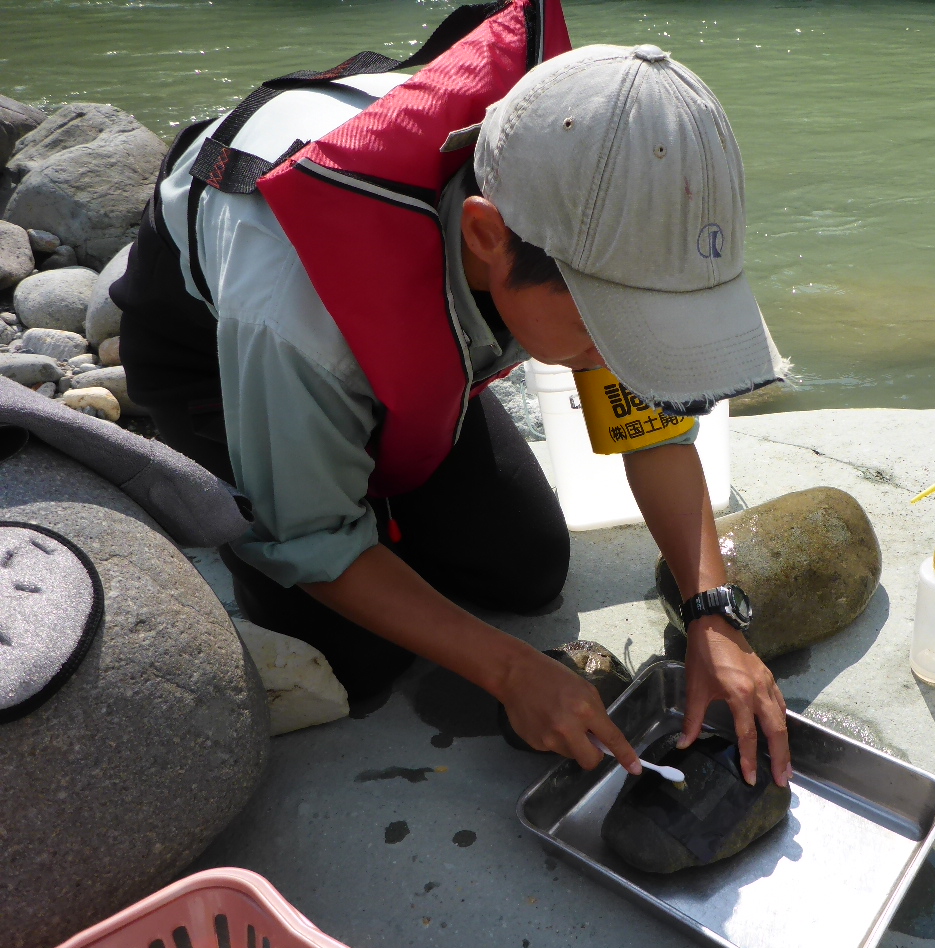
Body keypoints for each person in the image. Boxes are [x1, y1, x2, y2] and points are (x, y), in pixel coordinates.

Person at [113, 0, 793, 788]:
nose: (622, 356)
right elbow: (312, 541)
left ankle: (382, 486)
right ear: (484, 236)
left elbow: (653, 429)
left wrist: (713, 612)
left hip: (416, 348)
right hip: (218, 364)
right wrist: (509, 673)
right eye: (611, 323)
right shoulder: (295, 311)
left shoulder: (583, 192)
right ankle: (254, 486)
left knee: (528, 570)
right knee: (357, 660)